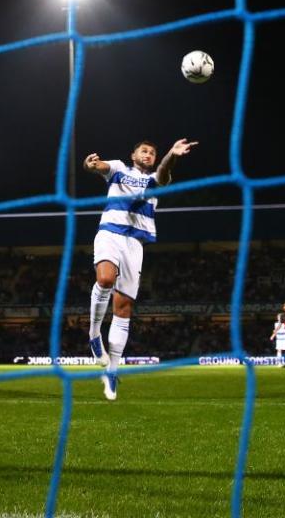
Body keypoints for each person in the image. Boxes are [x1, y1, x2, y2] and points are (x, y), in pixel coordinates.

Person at [83, 138, 198, 400]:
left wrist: (172, 154)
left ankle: (111, 371)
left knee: (123, 308)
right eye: (144, 151)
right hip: (110, 232)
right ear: (133, 154)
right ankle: (93, 334)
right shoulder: (118, 169)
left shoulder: (158, 179)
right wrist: (90, 164)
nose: (148, 155)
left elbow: (166, 170)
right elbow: (97, 166)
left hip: (135, 243)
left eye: (153, 153)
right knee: (104, 280)